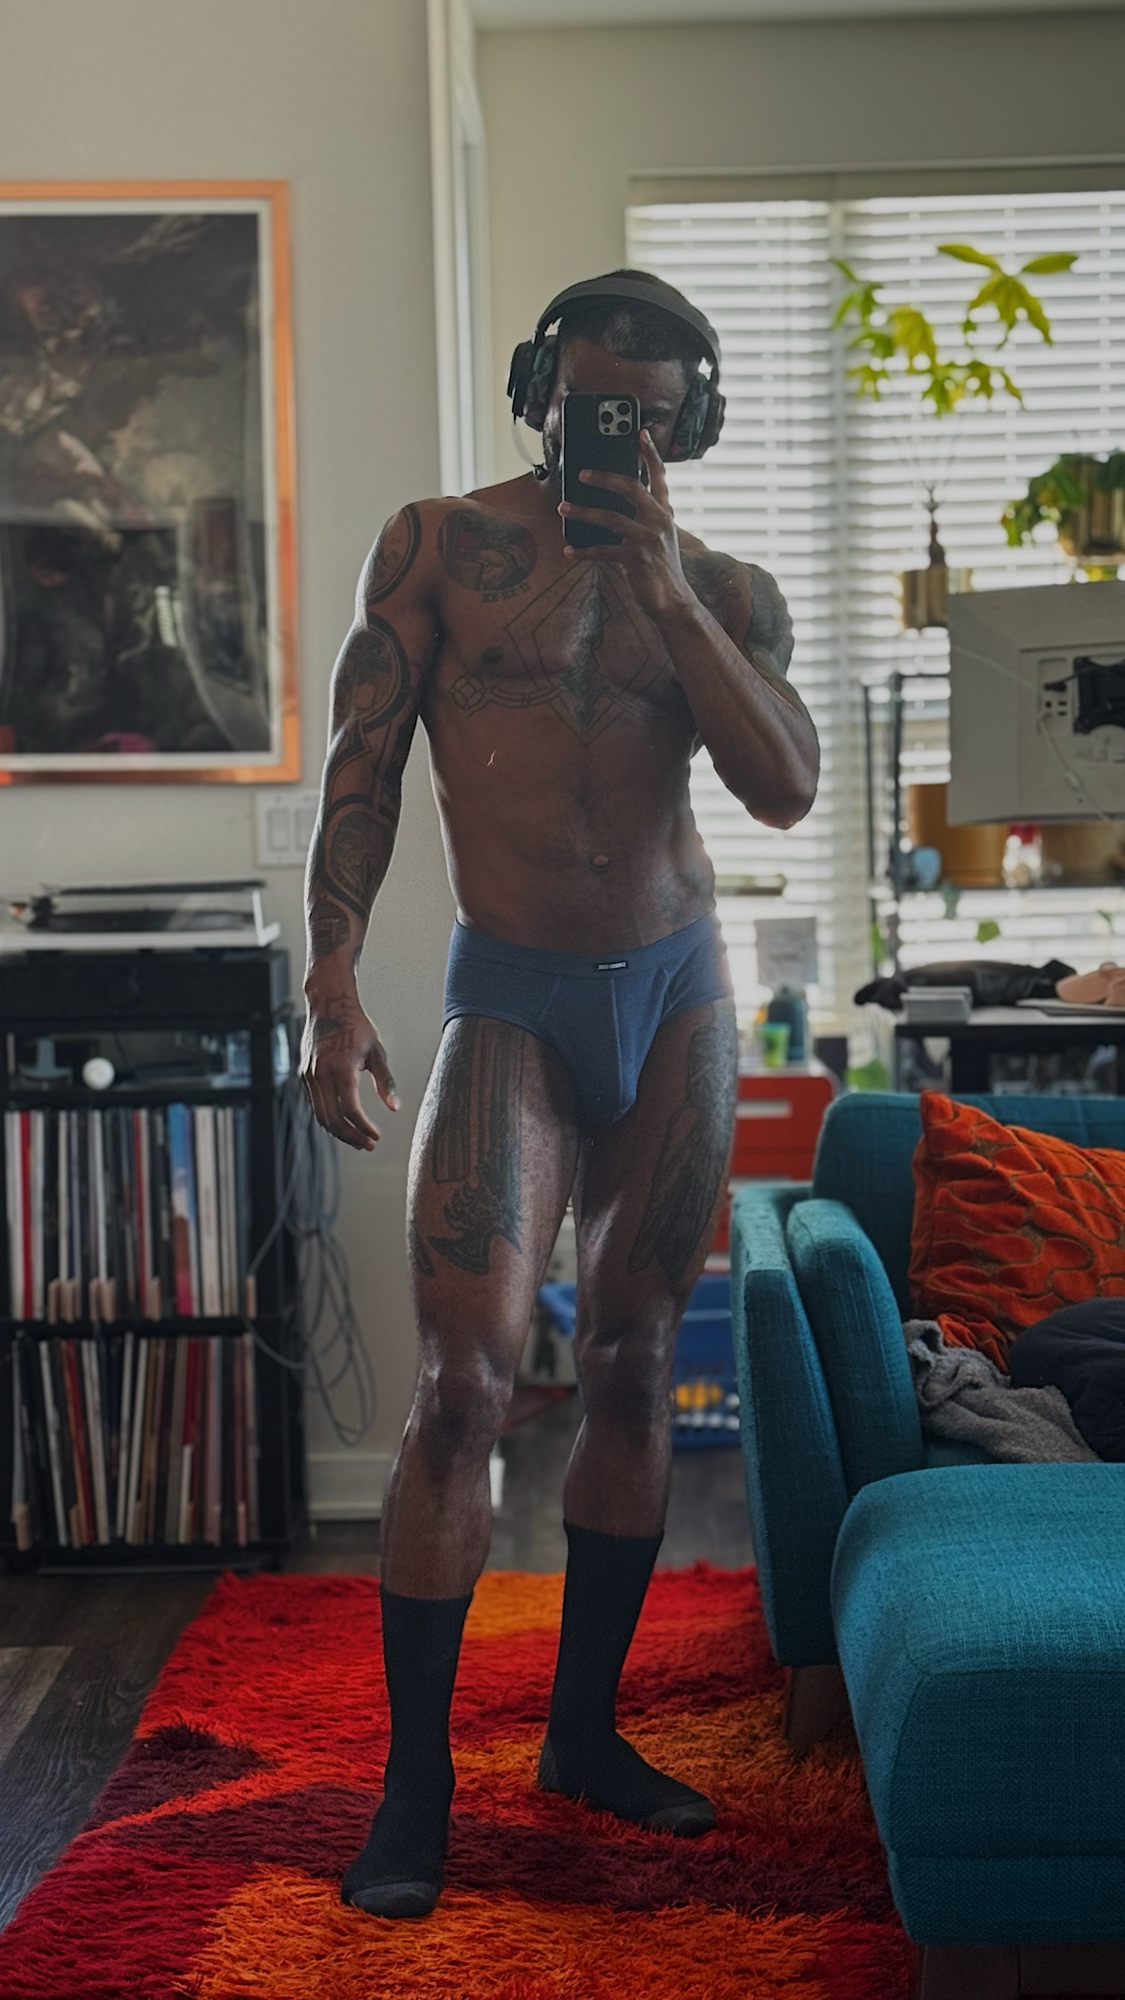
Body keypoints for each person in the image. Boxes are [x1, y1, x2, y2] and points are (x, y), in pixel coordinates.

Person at [300, 270, 819, 1919]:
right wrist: (329, 981)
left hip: (674, 994)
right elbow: (364, 767)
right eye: (598, 406)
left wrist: (659, 581)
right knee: (462, 1388)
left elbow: (785, 787)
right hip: (512, 995)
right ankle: (414, 1788)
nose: (621, 438)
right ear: (541, 391)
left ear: (691, 423)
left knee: (635, 1362)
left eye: (653, 418)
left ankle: (582, 1735)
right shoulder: (436, 547)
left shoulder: (723, 590)